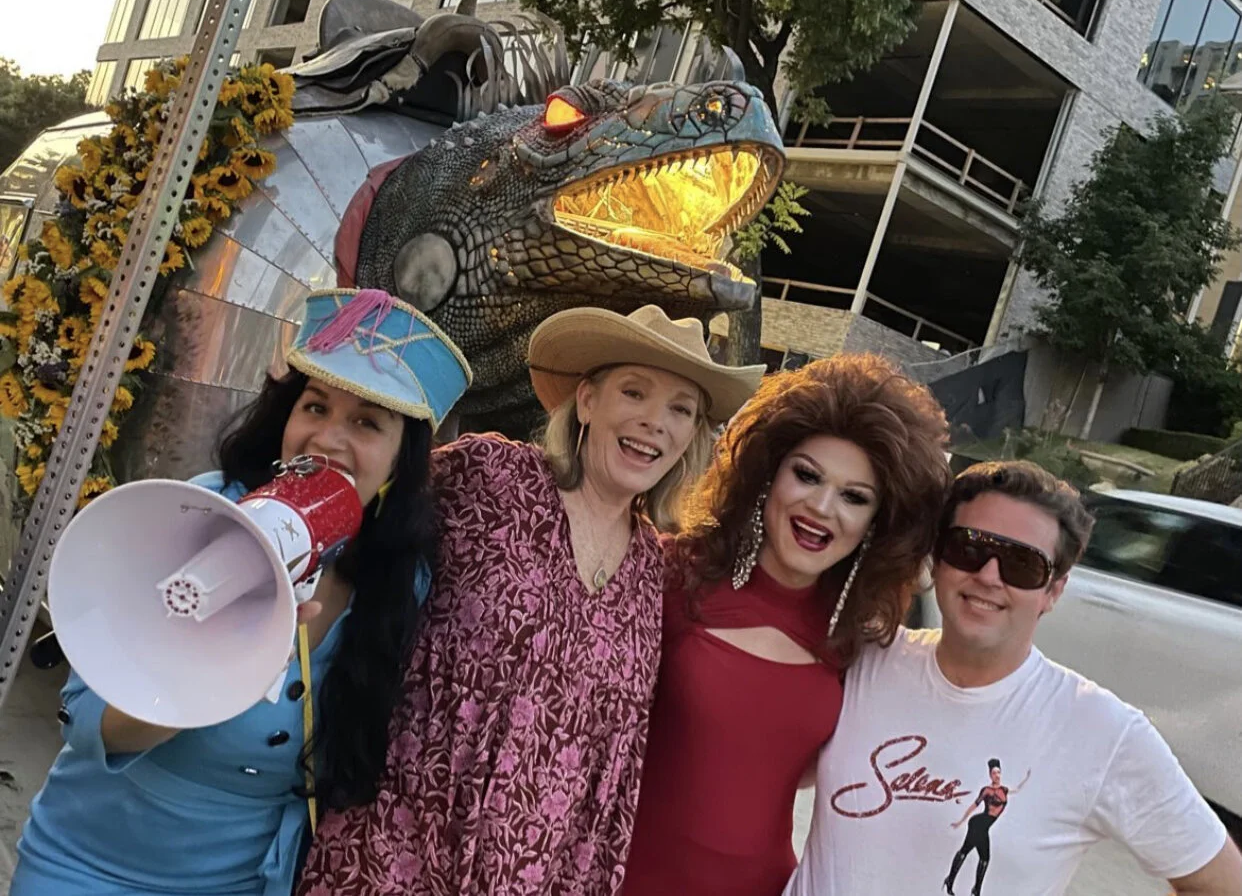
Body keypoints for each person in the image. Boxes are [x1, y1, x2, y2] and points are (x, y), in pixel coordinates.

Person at [11, 288, 472, 896]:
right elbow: (89, 725)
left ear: (398, 465)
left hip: (244, 882)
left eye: (366, 422)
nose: (328, 439)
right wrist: (212, 666)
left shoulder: (399, 583)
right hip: (88, 865)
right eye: (315, 407)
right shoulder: (200, 515)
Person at [296, 305, 766, 895]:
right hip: (390, 850)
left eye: (680, 410)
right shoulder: (491, 477)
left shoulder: (654, 568)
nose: (655, 423)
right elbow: (367, 498)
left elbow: (613, 765)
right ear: (588, 401)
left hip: (530, 878)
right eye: (635, 393)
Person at [784, 460, 1242, 896]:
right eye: (969, 548)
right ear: (939, 559)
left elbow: (1223, 881)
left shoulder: (1104, 733)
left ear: (1053, 592)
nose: (988, 575)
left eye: (1022, 564)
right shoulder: (863, 660)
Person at [621, 353, 953, 896]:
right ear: (767, 475)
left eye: (854, 497)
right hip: (623, 877)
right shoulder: (670, 572)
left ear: (876, 523)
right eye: (807, 475)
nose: (822, 507)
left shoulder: (858, 639)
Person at [945, 758, 1031, 894]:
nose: (997, 775)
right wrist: (961, 821)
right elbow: (974, 805)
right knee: (967, 852)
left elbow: (1017, 790)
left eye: (999, 772)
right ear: (990, 775)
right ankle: (954, 883)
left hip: (983, 827)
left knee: (983, 858)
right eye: (994, 773)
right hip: (977, 824)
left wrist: (1026, 778)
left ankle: (973, 889)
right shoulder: (986, 790)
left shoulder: (1004, 790)